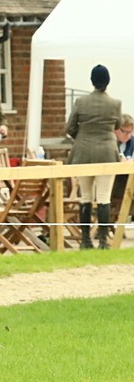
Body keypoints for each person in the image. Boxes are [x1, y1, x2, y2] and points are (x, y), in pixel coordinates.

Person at [67, 65, 122, 249]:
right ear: (108, 81)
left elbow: (70, 128)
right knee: (104, 197)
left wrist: (82, 138)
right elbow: (118, 125)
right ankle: (104, 241)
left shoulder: (81, 102)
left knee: (86, 197)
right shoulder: (115, 103)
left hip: (83, 152)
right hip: (107, 151)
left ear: (92, 81)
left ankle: (85, 240)